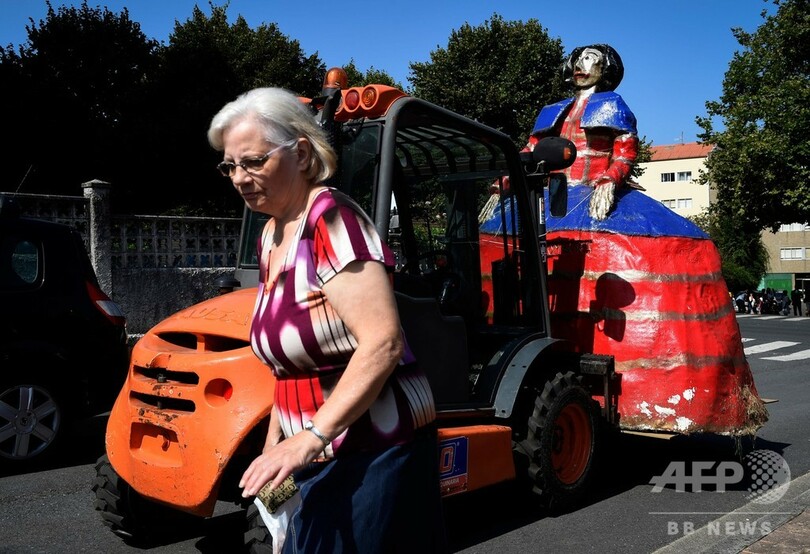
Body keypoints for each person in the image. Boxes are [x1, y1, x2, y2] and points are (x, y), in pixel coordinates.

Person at [207, 87, 446, 553]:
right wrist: (276, 440)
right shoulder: (272, 234)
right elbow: (288, 363)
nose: (239, 177)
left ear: (299, 152)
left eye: (253, 161)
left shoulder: (331, 218)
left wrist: (309, 439)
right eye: (229, 165)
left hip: (373, 444)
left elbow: (383, 343)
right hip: (318, 444)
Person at [527, 44, 639, 220]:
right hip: (556, 194)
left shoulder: (613, 105)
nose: (579, 65)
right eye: (577, 60)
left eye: (589, 58)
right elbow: (531, 149)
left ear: (605, 68)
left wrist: (609, 181)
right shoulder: (555, 109)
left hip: (593, 190)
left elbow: (624, 154)